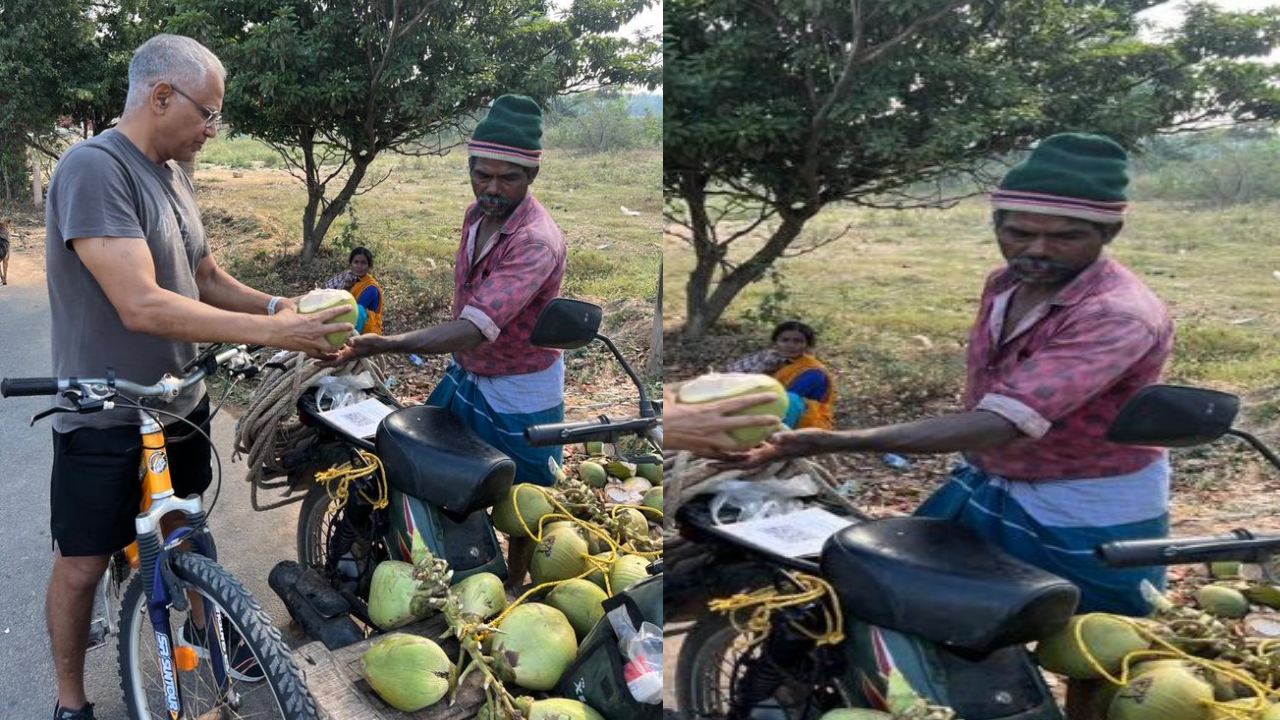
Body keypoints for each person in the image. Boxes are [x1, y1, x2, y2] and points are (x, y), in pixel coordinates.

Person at [730, 134, 1172, 720]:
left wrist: (838, 441)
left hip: (1086, 501)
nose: (1037, 248)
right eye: (1019, 231)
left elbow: (1002, 421)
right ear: (998, 223)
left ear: (1108, 234)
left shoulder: (1116, 314)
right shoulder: (1005, 283)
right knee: (904, 596)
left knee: (1097, 652)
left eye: (1065, 235)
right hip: (989, 482)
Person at [42, 34, 348, 720]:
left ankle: (203, 628)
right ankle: (70, 699)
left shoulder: (172, 171)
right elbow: (142, 304)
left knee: (181, 526)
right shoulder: (95, 170)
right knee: (85, 565)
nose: (214, 129)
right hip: (106, 413)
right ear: (160, 96)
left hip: (179, 403)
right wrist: (280, 334)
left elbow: (203, 276)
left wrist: (280, 306)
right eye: (208, 113)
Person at [329, 94, 567, 588]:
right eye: (483, 175)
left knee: (526, 507)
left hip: (520, 386)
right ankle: (424, 562)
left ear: (532, 176)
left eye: (508, 178)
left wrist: (382, 342)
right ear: (471, 166)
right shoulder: (475, 217)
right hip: (468, 373)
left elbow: (476, 325)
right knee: (421, 465)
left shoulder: (535, 241)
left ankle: (518, 589)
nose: (493, 189)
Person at [727, 320, 837, 429]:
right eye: (785, 340)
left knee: (790, 398)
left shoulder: (813, 372)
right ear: (775, 343)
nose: (790, 345)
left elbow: (784, 402)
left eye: (798, 341)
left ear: (807, 345)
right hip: (770, 411)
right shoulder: (769, 359)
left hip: (805, 422)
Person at [322, 246, 384, 334]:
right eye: (356, 262)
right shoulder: (350, 277)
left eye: (363, 263)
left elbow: (355, 311)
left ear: (369, 266)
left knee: (358, 309)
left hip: (367, 331)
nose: (359, 266)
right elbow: (326, 289)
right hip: (351, 322)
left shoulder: (371, 288)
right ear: (351, 264)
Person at [0, 218, 10, 286]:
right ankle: (4, 278)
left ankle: (2, 278)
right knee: (5, 261)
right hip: (5, 244)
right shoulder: (6, 230)